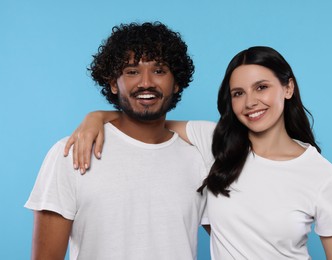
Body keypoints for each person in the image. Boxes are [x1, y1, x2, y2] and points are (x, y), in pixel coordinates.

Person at [65, 46, 332, 259]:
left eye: (262, 88)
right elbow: (148, 118)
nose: (250, 102)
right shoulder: (215, 143)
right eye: (238, 93)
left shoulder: (322, 176)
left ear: (288, 88)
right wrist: (96, 116)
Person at [25, 22, 209, 259]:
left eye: (159, 70)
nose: (146, 82)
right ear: (113, 83)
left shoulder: (198, 157)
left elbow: (236, 238)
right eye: (132, 71)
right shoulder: (71, 152)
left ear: (176, 84)